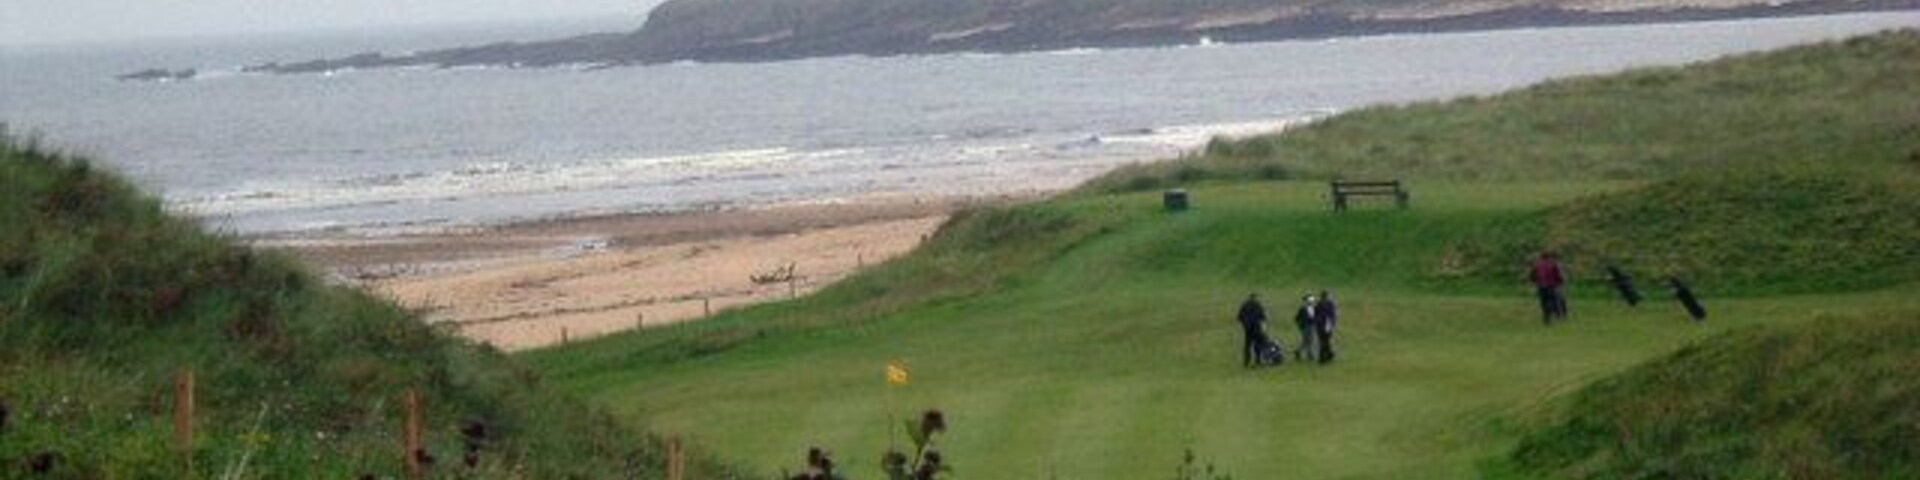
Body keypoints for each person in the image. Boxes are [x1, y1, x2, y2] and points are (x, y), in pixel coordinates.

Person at [1236, 293, 1274, 368]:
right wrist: (1263, 327)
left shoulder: (1244, 305)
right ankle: (1258, 360)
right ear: (1255, 297)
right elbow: (1263, 317)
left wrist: (1244, 324)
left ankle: (1246, 362)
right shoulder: (1258, 305)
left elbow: (1239, 317)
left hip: (1248, 329)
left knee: (1247, 346)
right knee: (1258, 344)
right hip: (1256, 328)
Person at [1530, 252, 1568, 325]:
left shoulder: (1537, 265)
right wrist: (1561, 282)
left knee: (1544, 302)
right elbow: (1558, 275)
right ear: (1549, 257)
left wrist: (1535, 282)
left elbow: (1532, 276)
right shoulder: (1553, 265)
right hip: (1551, 286)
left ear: (1541, 257)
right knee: (1553, 301)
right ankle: (1557, 316)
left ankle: (1546, 318)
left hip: (1541, 286)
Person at [1314, 290, 1338, 364]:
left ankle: (1329, 355)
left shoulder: (1318, 303)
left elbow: (1315, 314)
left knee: (1324, 342)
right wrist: (1333, 323)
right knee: (1324, 342)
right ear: (1327, 296)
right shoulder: (1330, 303)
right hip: (1326, 325)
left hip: (1321, 326)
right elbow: (1333, 315)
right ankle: (1323, 358)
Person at [1293, 294, 1318, 361]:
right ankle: (1309, 355)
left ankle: (1299, 351)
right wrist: (1301, 325)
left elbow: (1315, 316)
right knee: (1308, 340)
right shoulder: (1302, 309)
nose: (1311, 302)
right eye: (1309, 300)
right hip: (1306, 327)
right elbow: (1296, 318)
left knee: (1309, 341)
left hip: (1312, 326)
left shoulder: (1315, 308)